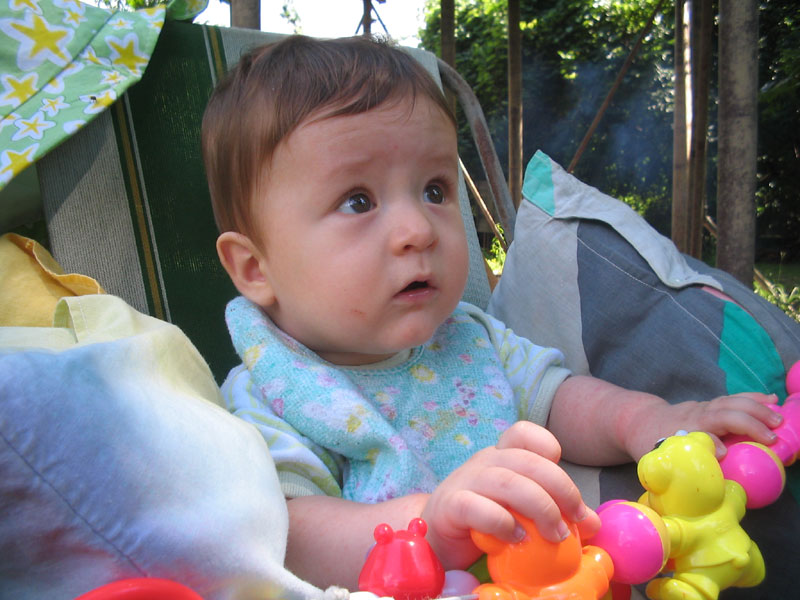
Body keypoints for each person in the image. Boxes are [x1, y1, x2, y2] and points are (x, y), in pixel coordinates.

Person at [201, 35, 782, 591]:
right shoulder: (271, 393)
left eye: (434, 190)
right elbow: (289, 538)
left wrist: (649, 422)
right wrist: (429, 528)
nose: (418, 229)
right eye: (358, 201)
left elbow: (559, 399)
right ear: (255, 269)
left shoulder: (469, 338)